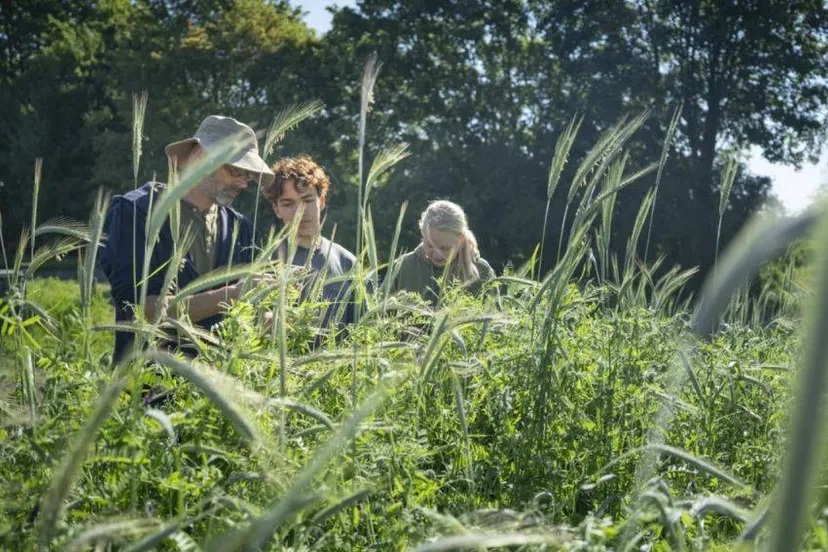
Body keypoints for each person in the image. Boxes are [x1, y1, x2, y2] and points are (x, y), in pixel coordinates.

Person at [99, 115, 274, 363]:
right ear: (202, 156)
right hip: (146, 388)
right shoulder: (136, 212)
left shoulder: (241, 228)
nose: (243, 184)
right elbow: (140, 310)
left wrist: (273, 316)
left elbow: (250, 318)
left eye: (249, 176)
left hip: (218, 391)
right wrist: (233, 294)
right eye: (236, 170)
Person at [261, 155, 358, 328]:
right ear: (276, 209)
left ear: (321, 201)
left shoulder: (347, 262)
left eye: (307, 200)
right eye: (288, 203)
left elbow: (362, 330)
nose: (300, 211)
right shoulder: (264, 263)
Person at [388, 200, 495, 304]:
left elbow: (496, 316)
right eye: (430, 245)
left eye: (445, 248)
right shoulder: (402, 267)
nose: (437, 254)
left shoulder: (482, 271)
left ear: (461, 240)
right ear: (423, 235)